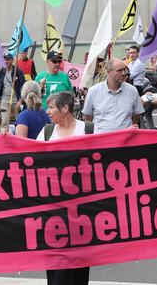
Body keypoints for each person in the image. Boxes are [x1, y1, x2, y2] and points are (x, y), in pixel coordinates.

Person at [36, 91, 92, 285]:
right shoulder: (46, 132)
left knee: (79, 261)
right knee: (56, 262)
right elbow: (29, 161)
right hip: (53, 210)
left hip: (83, 210)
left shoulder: (89, 130)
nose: (47, 111)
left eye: (51, 107)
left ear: (65, 108)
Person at [83, 59, 144, 133]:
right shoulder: (94, 91)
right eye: (119, 70)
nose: (123, 73)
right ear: (109, 72)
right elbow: (88, 117)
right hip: (101, 140)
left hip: (126, 140)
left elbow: (136, 115)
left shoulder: (132, 91)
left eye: (124, 70)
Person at [0, 53, 25, 132]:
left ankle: (19, 137)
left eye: (8, 59)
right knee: (4, 122)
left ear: (12, 60)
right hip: (4, 100)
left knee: (20, 121)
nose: (6, 61)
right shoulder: (1, 72)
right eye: (4, 59)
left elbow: (23, 87)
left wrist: (20, 101)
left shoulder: (18, 71)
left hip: (16, 100)